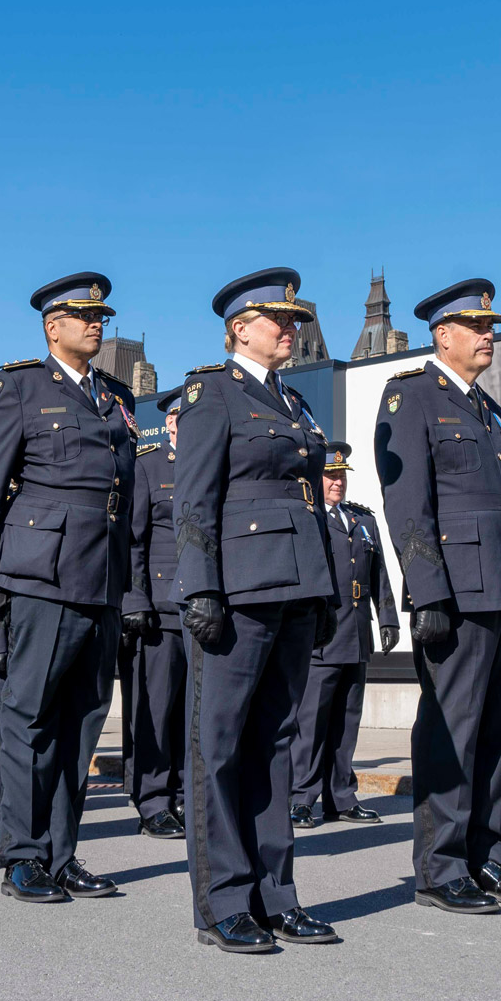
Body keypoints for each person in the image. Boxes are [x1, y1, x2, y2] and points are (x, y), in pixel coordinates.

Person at [174, 267, 340, 952]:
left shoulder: (294, 402)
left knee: (275, 745)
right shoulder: (212, 392)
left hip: (296, 588)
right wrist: (201, 588)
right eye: (281, 320)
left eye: (296, 320)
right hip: (238, 591)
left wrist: (323, 586)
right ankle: (223, 902)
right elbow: (194, 498)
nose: (291, 329)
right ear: (242, 326)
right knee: (219, 748)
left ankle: (277, 895)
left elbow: (307, 504)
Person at [375, 279, 501, 913]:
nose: (488, 336)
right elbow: (408, 506)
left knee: (500, 732)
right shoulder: (412, 397)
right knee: (452, 730)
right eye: (476, 327)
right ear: (442, 334)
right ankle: (441, 867)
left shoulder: (490, 411)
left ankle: (488, 855)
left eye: (492, 326)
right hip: (457, 592)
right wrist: (427, 594)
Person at [0, 272, 135, 904]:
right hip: (40, 577)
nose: (97, 324)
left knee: (82, 724)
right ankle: (21, 854)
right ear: (51, 325)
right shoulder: (20, 387)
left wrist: (134, 585)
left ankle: (61, 855)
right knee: (29, 718)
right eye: (83, 315)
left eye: (102, 316)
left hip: (102, 579)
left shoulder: (116, 397)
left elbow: (128, 496)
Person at [289, 441, 397, 831]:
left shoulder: (363, 521)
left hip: (356, 634)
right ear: (317, 479)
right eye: (330, 476)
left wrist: (388, 619)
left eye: (341, 476)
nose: (337, 483)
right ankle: (301, 798)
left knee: (347, 720)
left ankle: (342, 797)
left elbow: (379, 575)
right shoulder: (310, 518)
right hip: (323, 635)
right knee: (312, 722)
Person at [120, 387, 188, 839]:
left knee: (193, 714)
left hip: (204, 610)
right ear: (169, 423)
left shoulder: (214, 467)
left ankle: (184, 794)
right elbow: (133, 540)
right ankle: (153, 799)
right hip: (160, 611)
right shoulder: (146, 466)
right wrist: (136, 600)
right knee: (155, 709)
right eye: (183, 418)